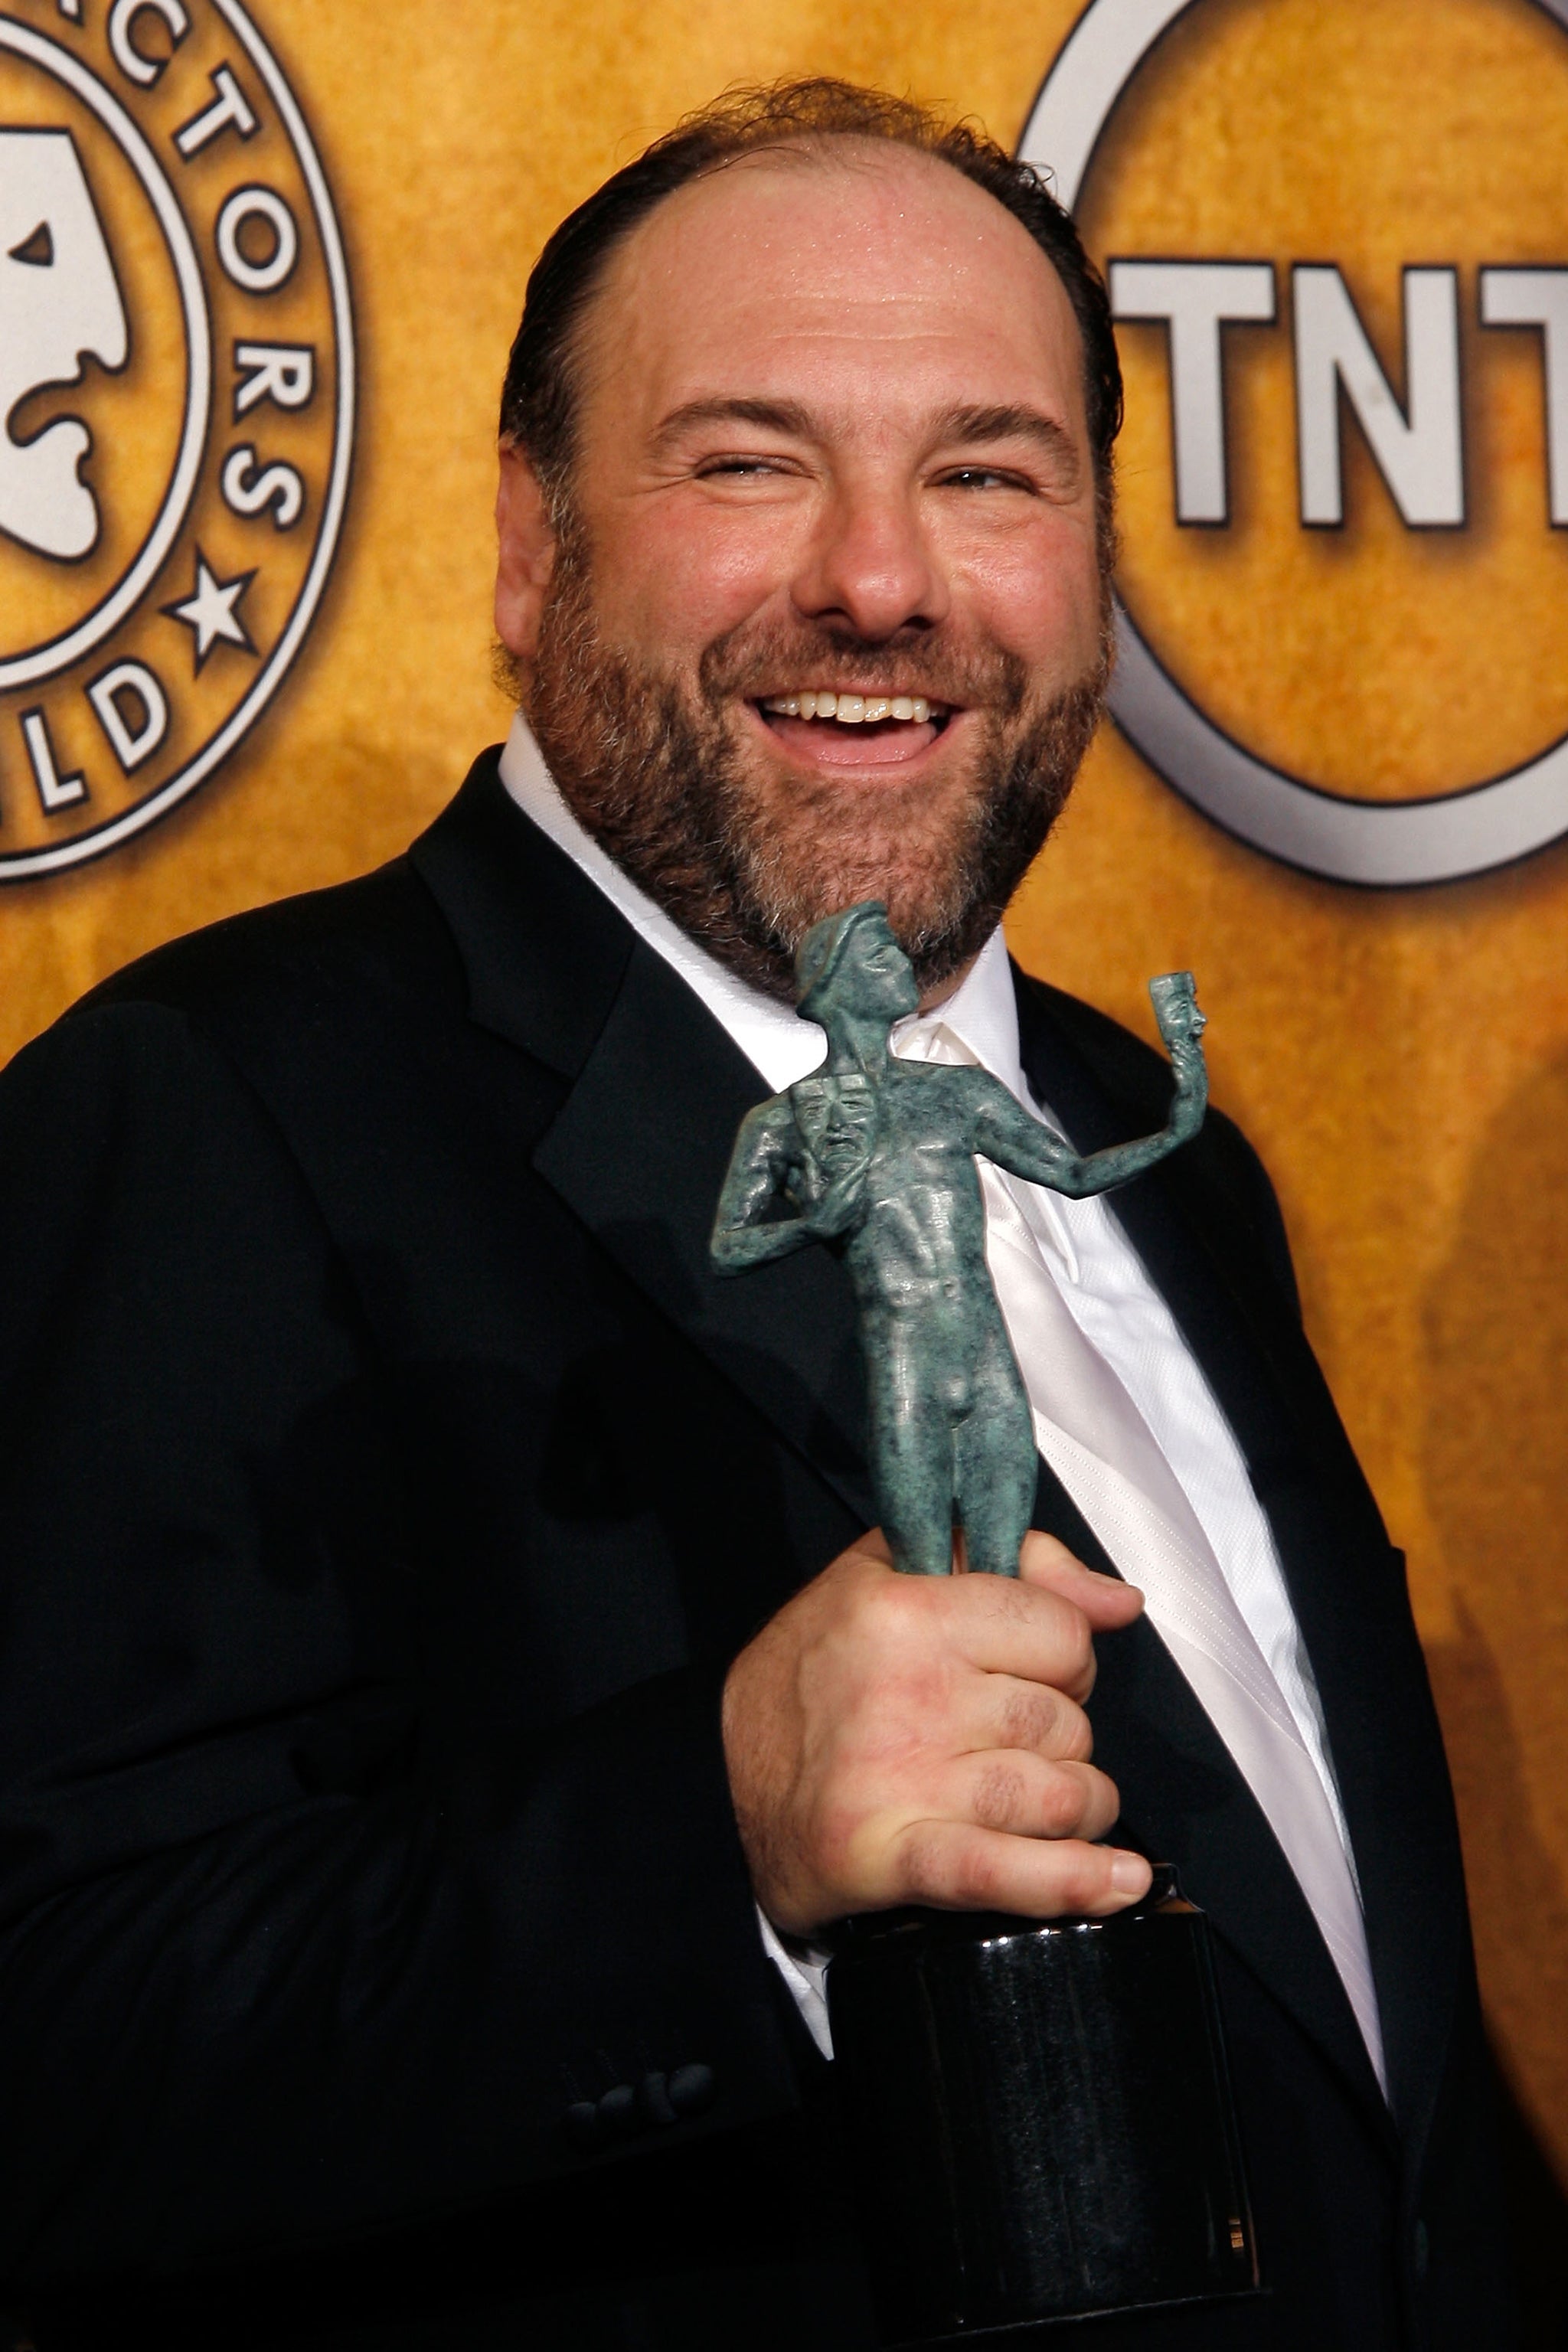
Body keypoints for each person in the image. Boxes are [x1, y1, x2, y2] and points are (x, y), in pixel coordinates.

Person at [0, 78, 1507, 2352]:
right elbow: (47, 2053)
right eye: (748, 460)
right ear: (528, 547)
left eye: (987, 471)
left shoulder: (1147, 1127)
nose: (882, 580)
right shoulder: (208, 1112)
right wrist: (719, 1839)